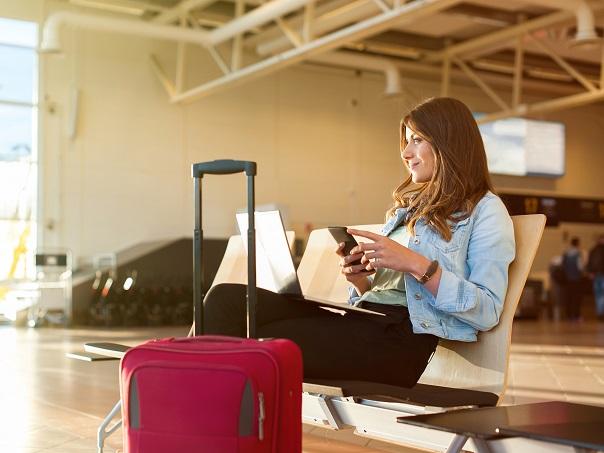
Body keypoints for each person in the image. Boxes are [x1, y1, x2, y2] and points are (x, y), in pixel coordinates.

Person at [203, 97, 516, 388]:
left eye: (417, 139)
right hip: (365, 322)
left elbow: (487, 310)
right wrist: (361, 281)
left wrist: (414, 263)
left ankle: (213, 427)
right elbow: (386, 293)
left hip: (400, 342)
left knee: (259, 345)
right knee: (225, 301)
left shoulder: (486, 210)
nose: (406, 153)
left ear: (449, 142)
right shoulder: (410, 210)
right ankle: (220, 423)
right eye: (406, 140)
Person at [561, 237, 586, 321]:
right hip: (576, 278)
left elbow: (563, 266)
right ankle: (576, 315)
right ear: (578, 244)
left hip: (567, 278)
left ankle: (568, 315)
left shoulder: (566, 253)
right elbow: (580, 267)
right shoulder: (578, 254)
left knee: (568, 297)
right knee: (576, 297)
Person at [587, 235, 604, 320]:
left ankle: (600, 313)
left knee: (599, 295)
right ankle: (600, 313)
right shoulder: (594, 250)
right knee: (600, 295)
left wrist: (590, 272)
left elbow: (589, 262)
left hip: (596, 275)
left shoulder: (593, 250)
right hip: (600, 275)